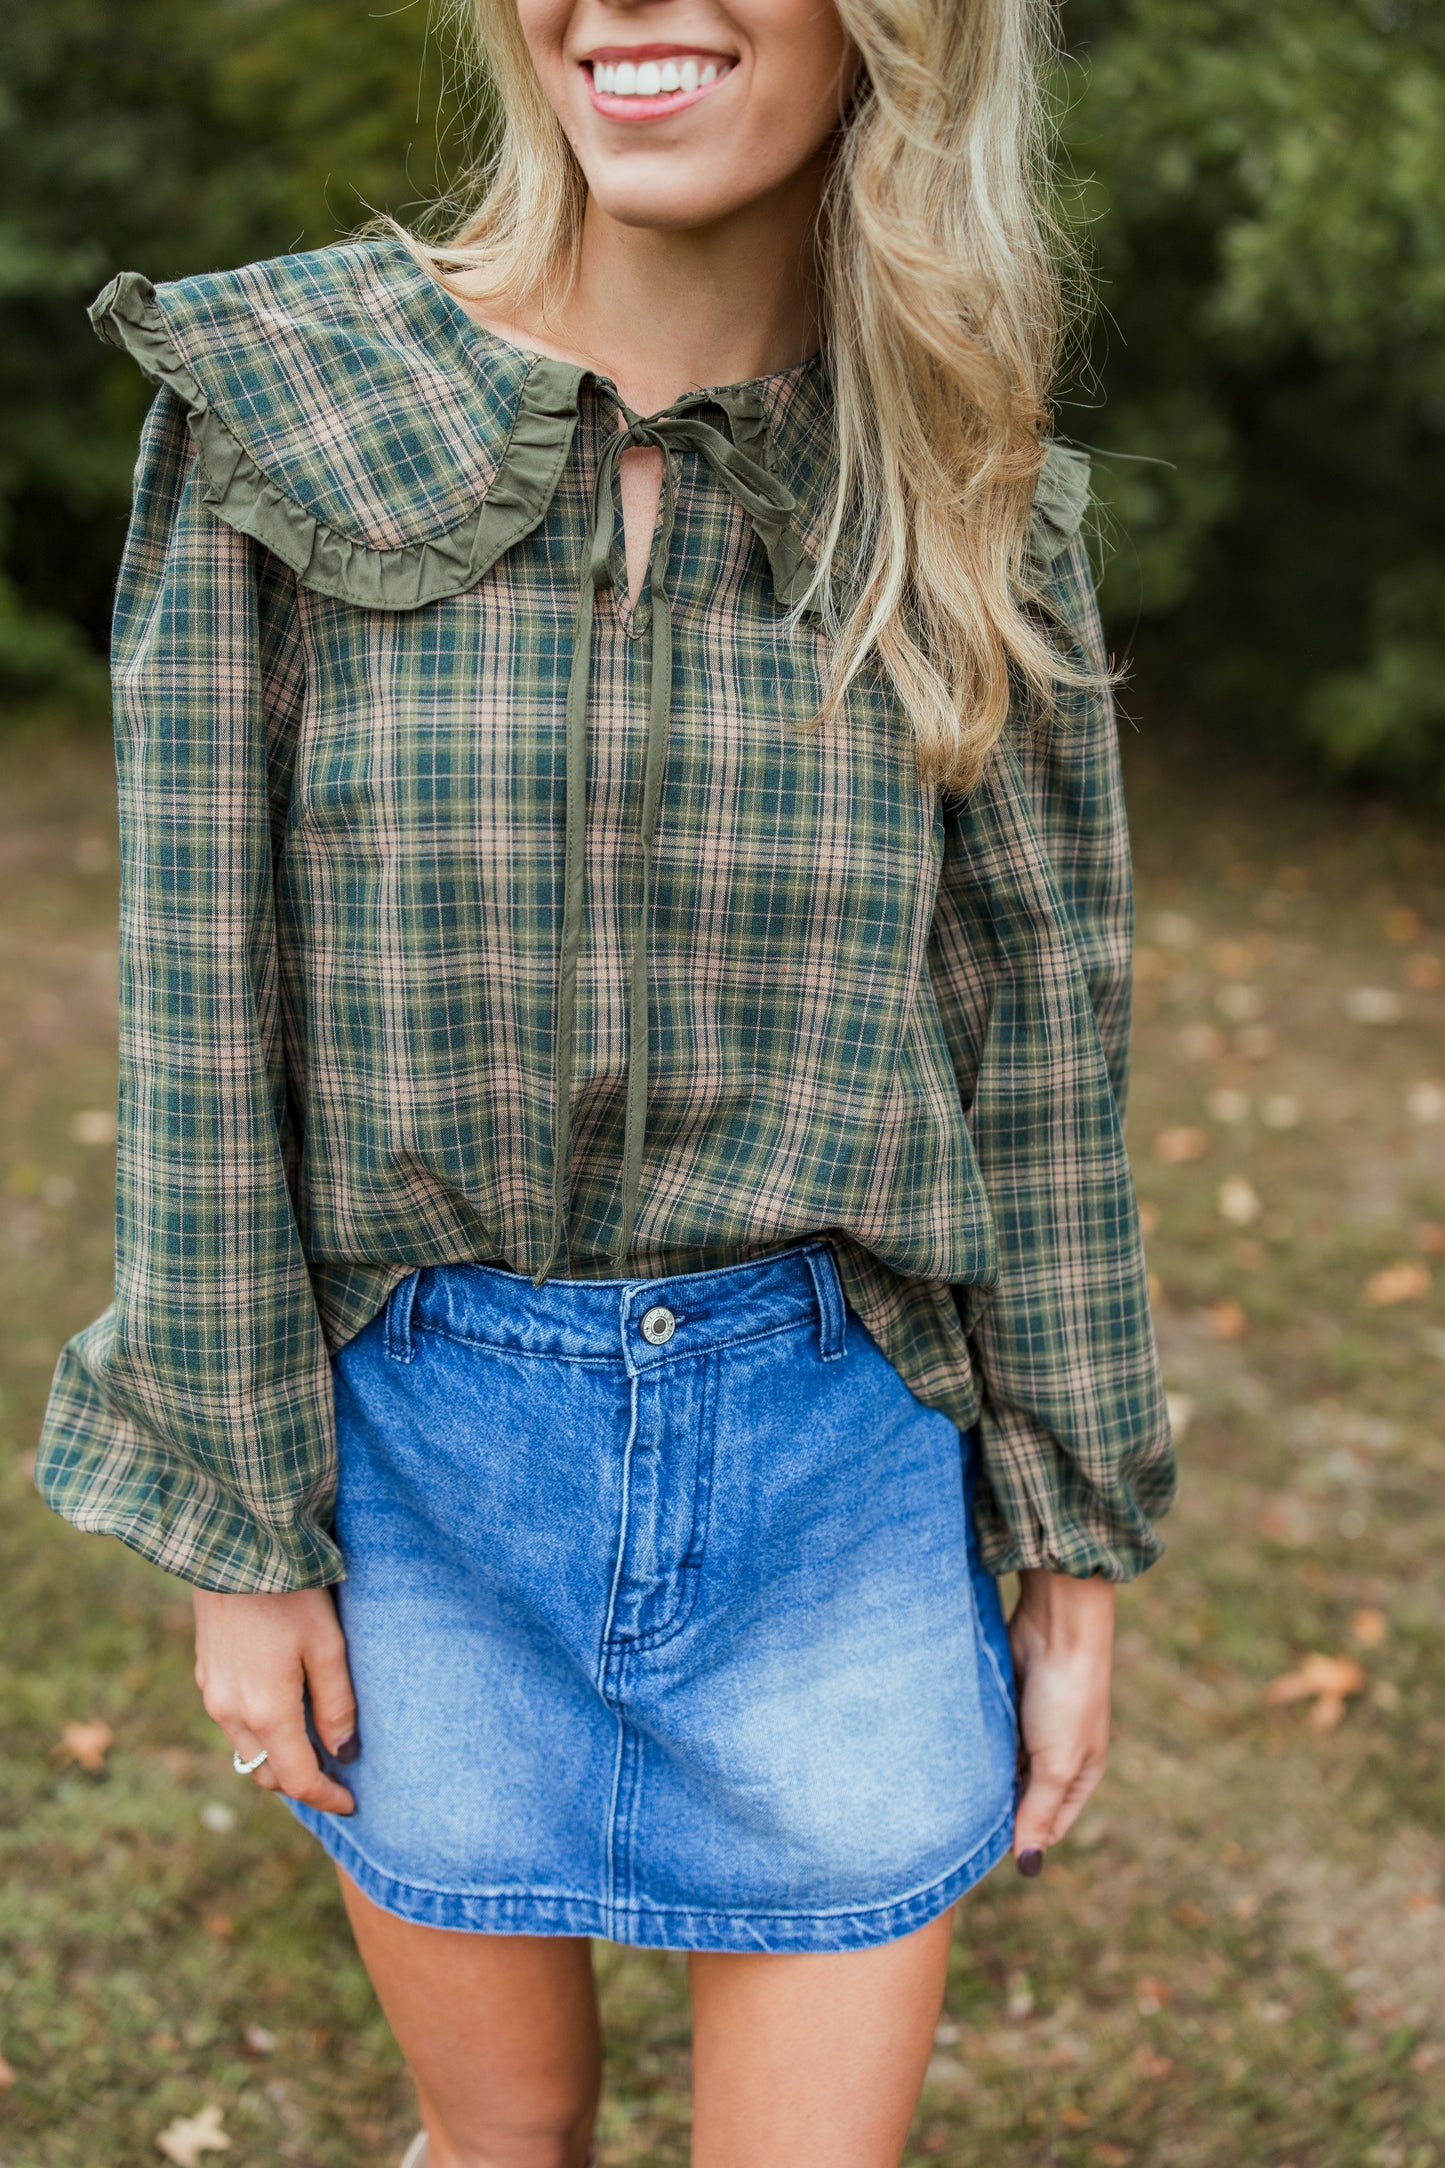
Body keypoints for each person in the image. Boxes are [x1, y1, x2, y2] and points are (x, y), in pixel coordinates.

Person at [36, 0, 1177, 2162]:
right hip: (423, 1480)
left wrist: (1073, 1538)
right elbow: (197, 1017)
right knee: (504, 2148)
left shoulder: (960, 492)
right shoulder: (291, 410)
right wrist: (239, 1530)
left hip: (836, 1485)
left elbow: (1044, 1058)